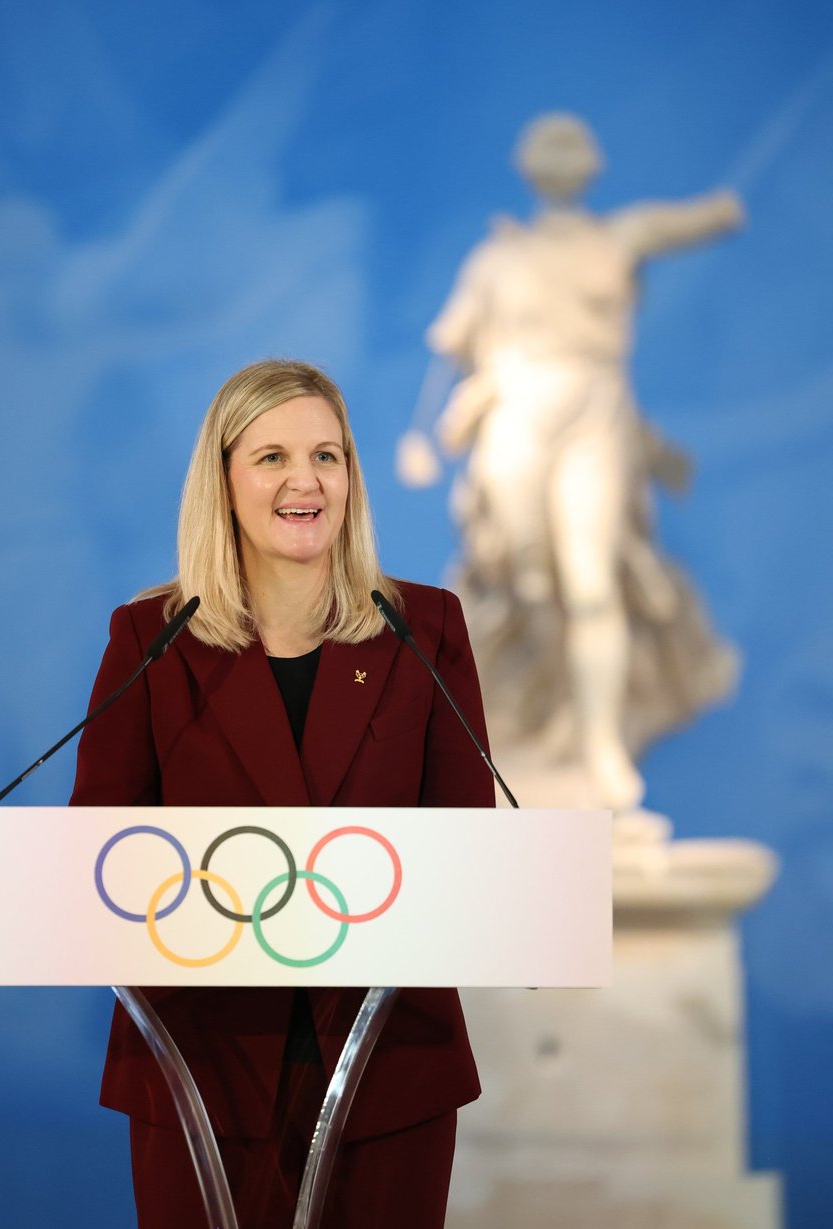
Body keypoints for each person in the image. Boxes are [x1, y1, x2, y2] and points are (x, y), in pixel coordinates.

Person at [71, 358, 496, 1228]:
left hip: (386, 1072)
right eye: (271, 457)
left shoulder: (427, 630)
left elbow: (473, 854)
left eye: (327, 456)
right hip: (202, 1071)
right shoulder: (151, 640)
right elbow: (93, 863)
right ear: (222, 480)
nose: (305, 480)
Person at [398, 113, 740, 812]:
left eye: (573, 150)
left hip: (593, 412)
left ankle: (599, 744)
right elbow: (446, 351)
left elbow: (691, 221)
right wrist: (421, 432)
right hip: (517, 410)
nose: (562, 161)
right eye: (549, 152)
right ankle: (549, 706)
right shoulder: (497, 259)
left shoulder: (619, 238)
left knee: (590, 578)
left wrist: (728, 208)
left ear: (592, 166)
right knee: (525, 575)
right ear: (531, 168)